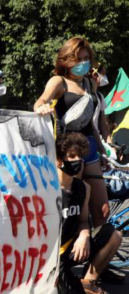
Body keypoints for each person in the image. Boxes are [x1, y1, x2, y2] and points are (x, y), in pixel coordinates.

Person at [34, 37, 109, 228]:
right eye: (78, 59)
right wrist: (42, 107)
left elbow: (91, 122)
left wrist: (103, 150)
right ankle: (76, 244)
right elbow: (40, 101)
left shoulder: (90, 83)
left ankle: (97, 245)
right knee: (73, 210)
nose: (83, 63)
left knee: (103, 212)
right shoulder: (58, 81)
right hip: (69, 150)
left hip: (90, 148)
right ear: (67, 60)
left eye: (86, 58)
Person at [56, 131, 122, 294]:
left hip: (72, 249)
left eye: (80, 157)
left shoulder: (84, 188)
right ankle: (64, 278)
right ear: (59, 160)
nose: (77, 161)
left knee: (114, 234)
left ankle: (87, 282)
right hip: (52, 256)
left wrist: (84, 235)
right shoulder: (48, 190)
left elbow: (84, 221)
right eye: (71, 156)